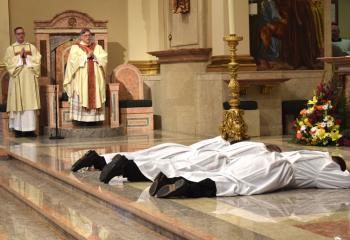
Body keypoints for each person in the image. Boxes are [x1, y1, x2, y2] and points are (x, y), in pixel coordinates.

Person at [151, 150, 349, 198]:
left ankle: (170, 179)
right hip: (278, 171)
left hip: (263, 157)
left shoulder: (312, 154)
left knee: (225, 172)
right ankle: (188, 188)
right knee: (235, 185)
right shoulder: (326, 166)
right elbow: (345, 181)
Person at [3, 27, 41, 137]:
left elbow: (37, 59)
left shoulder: (31, 47)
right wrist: (19, 58)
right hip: (17, 79)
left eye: (22, 33)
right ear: (15, 35)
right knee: (18, 102)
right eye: (18, 34)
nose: (21, 35)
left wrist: (27, 58)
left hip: (29, 79)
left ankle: (30, 130)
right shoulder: (11, 49)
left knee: (29, 102)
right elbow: (8, 62)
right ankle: (18, 130)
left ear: (24, 34)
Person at [63, 28, 107, 123]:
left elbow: (104, 59)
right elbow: (72, 61)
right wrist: (85, 57)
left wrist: (95, 56)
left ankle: (95, 119)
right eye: (86, 35)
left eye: (89, 35)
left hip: (95, 78)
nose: (88, 37)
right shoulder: (76, 47)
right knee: (82, 93)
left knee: (95, 93)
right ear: (81, 37)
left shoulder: (97, 47)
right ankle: (81, 120)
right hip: (81, 79)